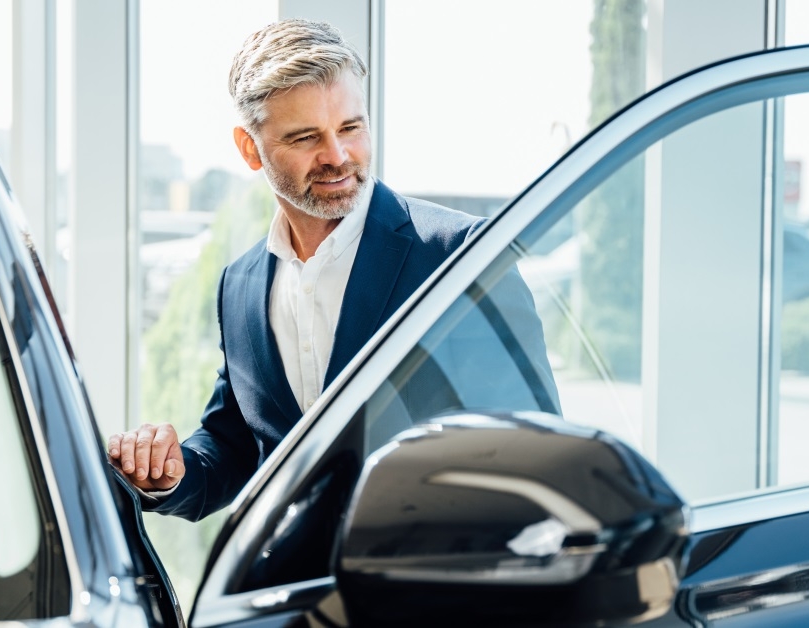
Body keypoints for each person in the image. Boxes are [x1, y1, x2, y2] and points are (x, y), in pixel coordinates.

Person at [109, 18, 557, 521]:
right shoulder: (241, 284)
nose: (338, 156)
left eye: (351, 127)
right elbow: (234, 446)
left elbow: (534, 453)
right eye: (306, 138)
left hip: (438, 591)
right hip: (296, 592)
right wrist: (170, 474)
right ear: (249, 148)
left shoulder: (462, 256)